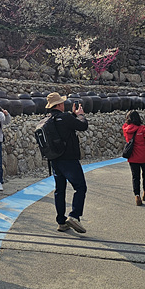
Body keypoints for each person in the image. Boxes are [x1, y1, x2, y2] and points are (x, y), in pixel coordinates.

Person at [45, 92, 89, 233]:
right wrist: (80, 115)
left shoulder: (48, 119)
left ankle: (61, 221)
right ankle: (74, 216)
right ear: (59, 104)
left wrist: (73, 115)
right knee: (80, 187)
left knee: (60, 190)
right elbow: (83, 126)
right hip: (69, 159)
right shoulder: (65, 117)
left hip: (55, 159)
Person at [122, 110, 145, 205]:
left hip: (132, 156)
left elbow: (127, 139)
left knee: (135, 177)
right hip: (144, 156)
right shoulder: (143, 129)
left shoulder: (125, 128)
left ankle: (137, 196)